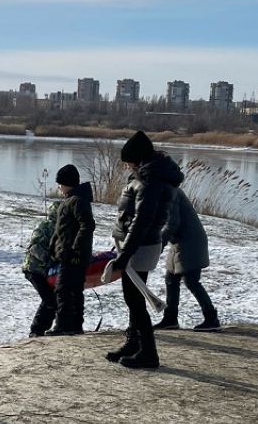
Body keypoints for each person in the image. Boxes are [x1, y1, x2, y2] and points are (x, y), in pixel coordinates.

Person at [107, 131, 184, 368]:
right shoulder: (150, 175)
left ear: (139, 158)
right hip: (136, 245)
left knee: (134, 299)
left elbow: (142, 220)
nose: (127, 166)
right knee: (134, 298)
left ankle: (148, 351)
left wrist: (126, 252)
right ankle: (134, 343)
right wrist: (121, 243)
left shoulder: (150, 181)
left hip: (139, 247)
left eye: (129, 161)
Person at [153, 188, 220, 332]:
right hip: (179, 242)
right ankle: (170, 319)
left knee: (191, 281)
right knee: (171, 279)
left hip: (190, 242)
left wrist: (158, 245)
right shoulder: (166, 189)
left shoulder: (170, 191)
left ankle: (211, 318)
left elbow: (172, 224)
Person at [45, 164, 95, 336]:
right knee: (74, 289)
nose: (58, 186)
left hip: (73, 255)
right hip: (67, 253)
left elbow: (87, 225)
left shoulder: (78, 201)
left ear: (67, 183)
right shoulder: (70, 200)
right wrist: (52, 247)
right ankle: (75, 325)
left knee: (63, 289)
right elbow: (61, 230)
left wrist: (76, 248)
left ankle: (63, 325)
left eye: (60, 183)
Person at [22, 200, 60, 337]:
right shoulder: (45, 226)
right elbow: (34, 247)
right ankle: (36, 330)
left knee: (53, 300)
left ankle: (42, 329)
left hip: (46, 271)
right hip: (33, 269)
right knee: (49, 299)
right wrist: (48, 259)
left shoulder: (60, 229)